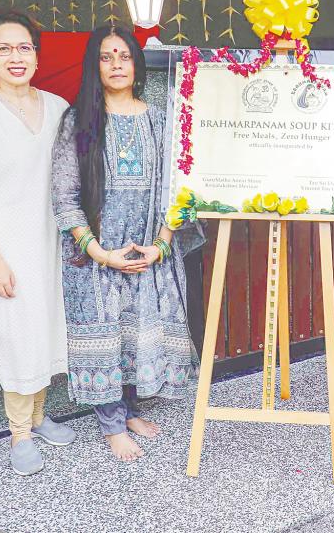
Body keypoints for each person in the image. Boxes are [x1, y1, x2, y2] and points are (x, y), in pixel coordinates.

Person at [51, 24, 202, 461]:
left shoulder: (161, 117)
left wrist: (162, 244)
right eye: (105, 57)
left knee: (136, 335)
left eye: (124, 56)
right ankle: (111, 424)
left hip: (150, 250)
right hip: (97, 255)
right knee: (105, 334)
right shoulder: (77, 121)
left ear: (136, 65)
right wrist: (98, 251)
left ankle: (130, 408)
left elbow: (181, 188)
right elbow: (64, 195)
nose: (116, 64)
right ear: (93, 66)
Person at [0, 9, 75, 477]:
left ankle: (40, 417)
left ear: (37, 55)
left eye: (24, 47)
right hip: (0, 243)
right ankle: (19, 433)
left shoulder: (59, 106)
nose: (15, 56)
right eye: (4, 48)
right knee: (16, 334)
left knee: (44, 330)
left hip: (50, 239)